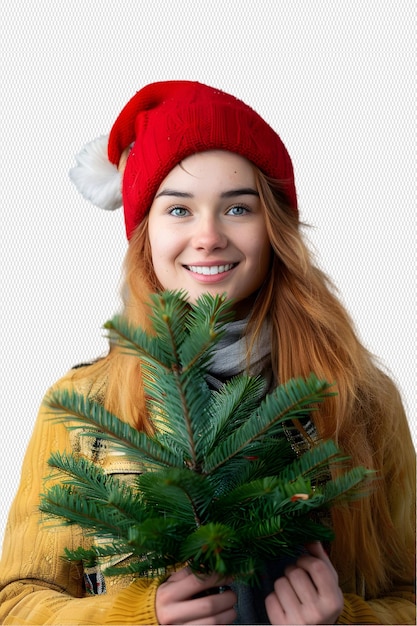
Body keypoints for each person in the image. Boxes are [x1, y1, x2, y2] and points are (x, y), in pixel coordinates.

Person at [0, 80, 415, 625]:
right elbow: (17, 601)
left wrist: (348, 622)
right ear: (145, 232)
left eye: (237, 208)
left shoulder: (358, 398)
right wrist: (137, 616)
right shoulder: (82, 406)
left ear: (274, 229)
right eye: (178, 211)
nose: (208, 236)